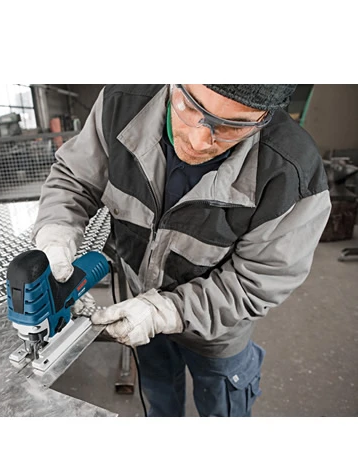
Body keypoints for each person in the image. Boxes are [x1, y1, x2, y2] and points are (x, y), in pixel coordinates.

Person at [32, 84, 331, 417]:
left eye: (233, 126)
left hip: (216, 333)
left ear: (266, 116)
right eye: (190, 106)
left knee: (223, 411)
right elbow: (74, 178)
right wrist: (56, 230)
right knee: (160, 398)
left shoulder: (293, 172)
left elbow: (260, 280)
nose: (200, 141)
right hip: (137, 308)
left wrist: (166, 312)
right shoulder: (120, 104)